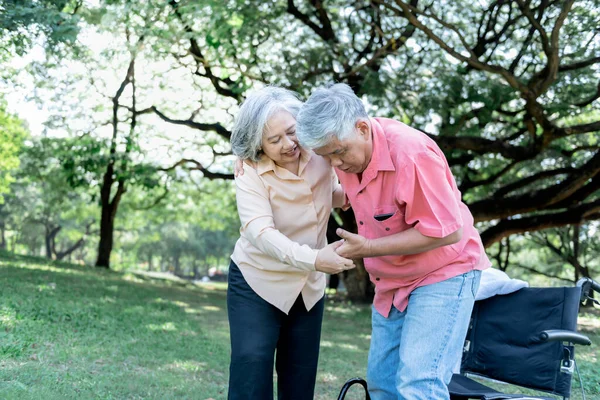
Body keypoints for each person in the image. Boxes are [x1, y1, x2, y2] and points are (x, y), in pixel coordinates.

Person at [295, 83, 491, 400]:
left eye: (339, 152)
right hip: (392, 280)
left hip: (443, 273)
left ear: (362, 127)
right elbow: (350, 194)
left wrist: (368, 248)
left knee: (419, 383)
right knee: (382, 385)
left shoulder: (412, 155)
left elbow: (447, 231)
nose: (337, 165)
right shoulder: (346, 155)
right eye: (327, 157)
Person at [227, 86, 355, 400]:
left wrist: (358, 194)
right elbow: (260, 232)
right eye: (275, 140)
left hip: (308, 287)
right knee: (251, 370)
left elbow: (334, 192)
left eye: (292, 132)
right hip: (258, 281)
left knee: (299, 378)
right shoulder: (250, 171)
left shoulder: (320, 151)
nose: (289, 144)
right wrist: (315, 260)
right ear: (257, 144)